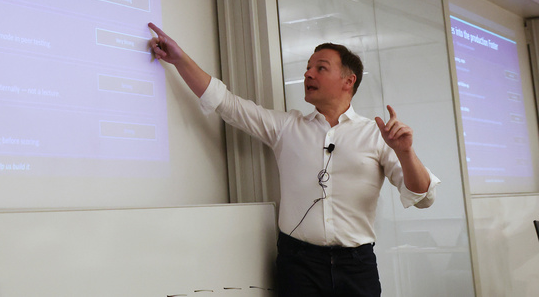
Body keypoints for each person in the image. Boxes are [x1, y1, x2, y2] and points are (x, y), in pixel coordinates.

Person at [148, 22, 438, 297]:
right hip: (299, 264)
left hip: (356, 266)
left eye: (320, 68)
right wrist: (180, 59)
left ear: (348, 81)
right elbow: (226, 103)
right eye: (308, 68)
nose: (309, 74)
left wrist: (405, 152)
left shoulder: (377, 135)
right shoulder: (287, 127)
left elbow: (423, 197)